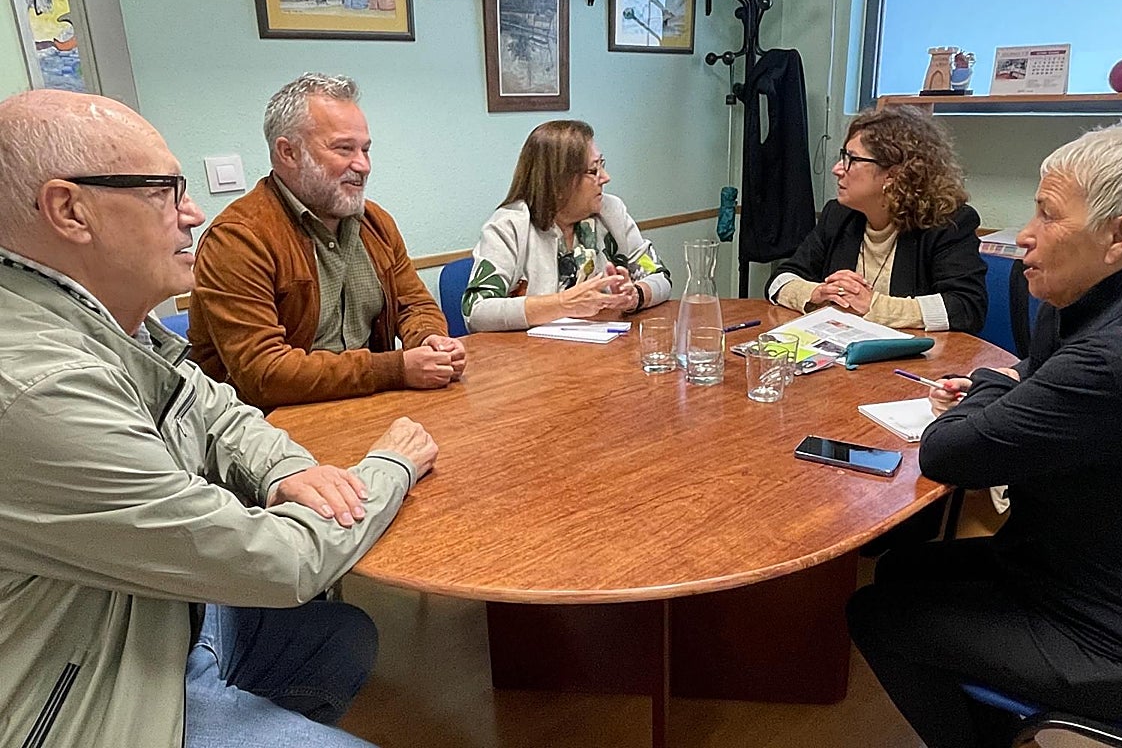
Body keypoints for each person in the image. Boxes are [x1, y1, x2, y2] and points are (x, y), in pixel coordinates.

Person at [0, 88, 439, 748]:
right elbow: (276, 559)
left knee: (341, 636)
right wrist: (390, 467)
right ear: (69, 210)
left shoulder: (108, 322)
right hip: (81, 698)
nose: (191, 212)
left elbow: (215, 408)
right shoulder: (38, 386)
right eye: (164, 190)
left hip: (150, 608)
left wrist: (290, 472)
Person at [847, 122, 1122, 748]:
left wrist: (987, 385)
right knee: (901, 567)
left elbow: (950, 451)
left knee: (877, 615)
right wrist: (1001, 387)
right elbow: (1024, 377)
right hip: (1080, 568)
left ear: (1120, 235)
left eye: (1047, 214)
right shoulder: (1121, 305)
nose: (1024, 236)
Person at [189, 73, 466, 412]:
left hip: (368, 405)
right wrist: (396, 368)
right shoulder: (239, 239)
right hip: (273, 425)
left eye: (365, 149)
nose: (363, 166)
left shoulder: (375, 223)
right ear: (288, 153)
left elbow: (414, 305)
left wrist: (429, 339)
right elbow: (264, 373)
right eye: (344, 149)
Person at [766, 104, 987, 333]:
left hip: (914, 362)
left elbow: (967, 308)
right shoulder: (838, 215)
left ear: (893, 175)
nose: (837, 169)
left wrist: (872, 305)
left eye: (852, 159)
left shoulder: (947, 222)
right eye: (843, 157)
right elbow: (779, 280)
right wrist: (816, 293)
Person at [462, 119, 671, 332]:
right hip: (531, 357)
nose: (606, 178)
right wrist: (563, 303)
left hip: (605, 352)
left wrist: (635, 295)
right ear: (559, 180)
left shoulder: (611, 212)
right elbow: (476, 312)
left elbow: (660, 276)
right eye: (593, 171)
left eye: (602, 165)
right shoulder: (509, 226)